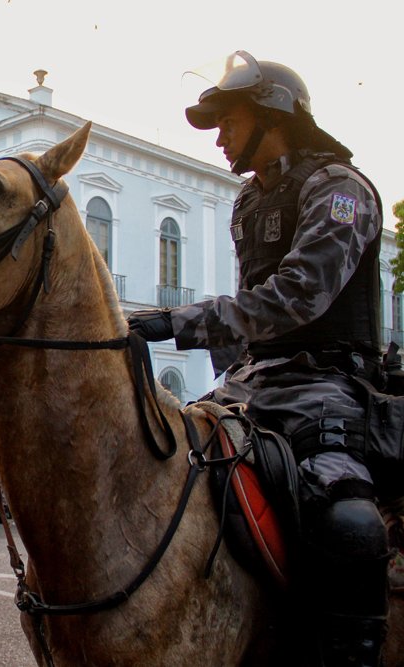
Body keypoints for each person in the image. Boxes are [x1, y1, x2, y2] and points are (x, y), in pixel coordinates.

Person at [128, 51, 388, 665]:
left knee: (347, 516)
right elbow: (250, 307)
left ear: (272, 116)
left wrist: (174, 322)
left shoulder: (340, 189)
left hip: (325, 382)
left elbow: (299, 294)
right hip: (251, 381)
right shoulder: (249, 200)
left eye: (228, 121)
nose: (219, 137)